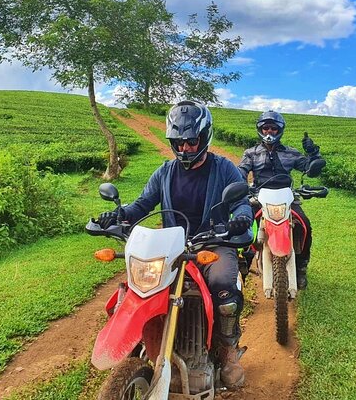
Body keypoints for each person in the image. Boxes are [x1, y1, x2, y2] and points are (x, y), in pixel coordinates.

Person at [97, 100, 252, 389]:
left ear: (204, 137)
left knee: (222, 285)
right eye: (178, 143)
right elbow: (142, 204)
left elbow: (241, 203)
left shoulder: (225, 169)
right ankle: (142, 343)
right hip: (172, 246)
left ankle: (228, 351)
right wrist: (117, 215)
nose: (185, 149)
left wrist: (240, 220)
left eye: (191, 142)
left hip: (213, 241)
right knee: (138, 288)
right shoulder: (165, 172)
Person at [238, 110, 324, 290]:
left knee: (305, 225)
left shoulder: (291, 153)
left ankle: (301, 267)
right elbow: (241, 172)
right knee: (244, 227)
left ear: (280, 130)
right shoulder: (251, 153)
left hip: (287, 197)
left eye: (273, 129)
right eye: (266, 128)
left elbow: (310, 169)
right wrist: (239, 184)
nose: (269, 132)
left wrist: (313, 154)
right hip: (259, 197)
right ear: (260, 130)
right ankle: (242, 269)